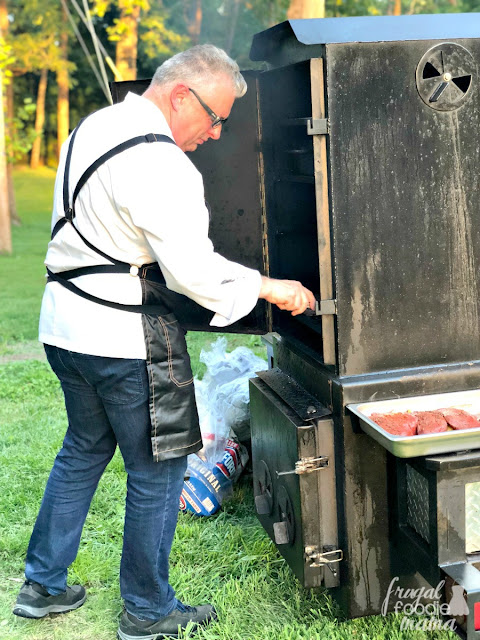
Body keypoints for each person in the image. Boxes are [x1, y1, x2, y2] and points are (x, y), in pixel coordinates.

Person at [13, 44, 315, 639]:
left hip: (65, 330)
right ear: (181, 94)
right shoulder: (161, 161)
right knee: (159, 468)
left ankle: (42, 585)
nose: (217, 132)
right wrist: (271, 288)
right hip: (123, 335)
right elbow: (194, 275)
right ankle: (147, 610)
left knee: (83, 448)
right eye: (215, 116)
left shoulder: (91, 128)